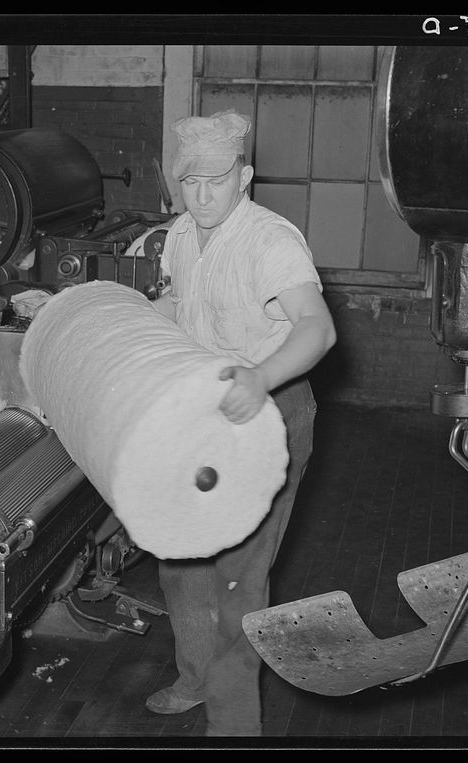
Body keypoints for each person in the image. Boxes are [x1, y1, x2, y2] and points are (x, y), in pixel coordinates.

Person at [133, 109, 336, 736]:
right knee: (182, 562)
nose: (200, 195)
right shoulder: (180, 236)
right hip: (205, 416)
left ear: (244, 177)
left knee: (238, 582)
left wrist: (260, 378)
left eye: (214, 181)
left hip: (268, 412)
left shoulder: (270, 241)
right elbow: (178, 303)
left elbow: (318, 328)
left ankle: (233, 725)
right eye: (188, 183)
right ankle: (196, 679)